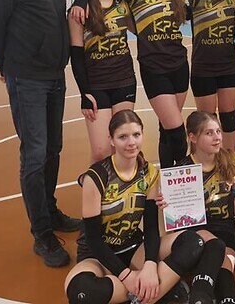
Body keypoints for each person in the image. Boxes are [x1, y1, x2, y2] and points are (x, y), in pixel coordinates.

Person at [0, 0, 81, 268]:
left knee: (53, 148)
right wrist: (5, 66)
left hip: (55, 75)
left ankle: (50, 212)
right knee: (35, 153)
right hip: (27, 78)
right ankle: (41, 233)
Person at [65, 110, 208, 304]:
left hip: (133, 249)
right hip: (98, 256)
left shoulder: (149, 173)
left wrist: (150, 265)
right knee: (81, 291)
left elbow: (150, 228)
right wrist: (126, 276)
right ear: (111, 140)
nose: (131, 142)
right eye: (123, 137)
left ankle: (139, 295)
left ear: (142, 134)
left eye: (136, 134)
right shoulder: (96, 177)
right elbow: (93, 239)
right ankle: (157, 291)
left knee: (193, 242)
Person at [72, 0, 189, 169]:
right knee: (174, 131)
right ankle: (180, 178)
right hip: (146, 70)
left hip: (174, 66)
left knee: (166, 128)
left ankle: (168, 180)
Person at [68, 0, 137, 162]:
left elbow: (140, 30)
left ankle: (122, 183)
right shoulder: (79, 12)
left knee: (122, 147)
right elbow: (76, 55)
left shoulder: (123, 4)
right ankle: (96, 183)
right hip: (96, 85)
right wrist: (84, 93)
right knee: (101, 151)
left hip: (124, 81)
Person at [176, 111, 235, 304]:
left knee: (226, 264)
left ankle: (221, 298)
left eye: (218, 131)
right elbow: (178, 218)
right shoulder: (182, 170)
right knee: (214, 253)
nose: (217, 137)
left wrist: (233, 188)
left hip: (225, 229)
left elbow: (232, 193)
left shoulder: (232, 161)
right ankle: (202, 296)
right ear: (192, 137)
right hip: (197, 231)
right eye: (209, 133)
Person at [187, 0, 235, 150]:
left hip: (229, 66)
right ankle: (207, 161)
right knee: (206, 120)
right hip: (202, 68)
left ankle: (229, 159)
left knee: (229, 116)